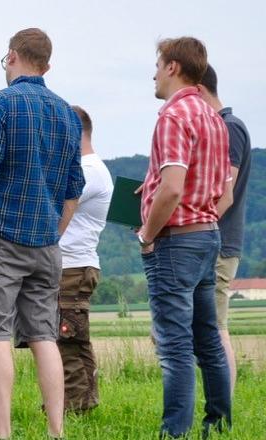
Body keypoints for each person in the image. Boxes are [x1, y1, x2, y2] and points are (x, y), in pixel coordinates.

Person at [0, 28, 82, 440]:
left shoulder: (1, 103)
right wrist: (54, 232)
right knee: (44, 336)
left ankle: (2, 433)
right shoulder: (67, 113)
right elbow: (73, 190)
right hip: (46, 244)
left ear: (11, 56)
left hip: (2, 236)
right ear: (46, 65)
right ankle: (56, 431)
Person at [138, 36, 232, 438]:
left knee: (175, 344)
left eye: (158, 65)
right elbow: (223, 191)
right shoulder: (214, 117)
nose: (154, 73)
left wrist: (146, 233)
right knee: (207, 338)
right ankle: (219, 424)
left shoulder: (173, 116)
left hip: (177, 239)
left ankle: (174, 432)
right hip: (208, 233)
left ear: (173, 67)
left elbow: (174, 187)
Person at [56, 105, 113, 414]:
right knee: (66, 338)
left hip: (73, 267)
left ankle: (77, 407)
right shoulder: (86, 169)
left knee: (70, 340)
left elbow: (58, 200)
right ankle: (73, 402)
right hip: (70, 266)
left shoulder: (88, 171)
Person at [200, 66, 250, 398]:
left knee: (217, 329)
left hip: (219, 240)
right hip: (213, 239)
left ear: (200, 90)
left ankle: (223, 406)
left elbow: (224, 194)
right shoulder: (226, 127)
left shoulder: (229, 129)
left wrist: (197, 224)